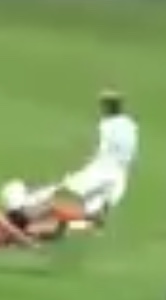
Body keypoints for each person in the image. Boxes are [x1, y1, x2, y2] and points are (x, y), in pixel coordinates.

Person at [50, 90, 139, 223]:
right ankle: (93, 214)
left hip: (104, 167)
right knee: (103, 200)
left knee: (68, 190)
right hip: (121, 172)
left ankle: (43, 216)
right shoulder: (130, 124)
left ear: (108, 107)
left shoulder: (106, 125)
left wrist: (88, 161)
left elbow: (101, 149)